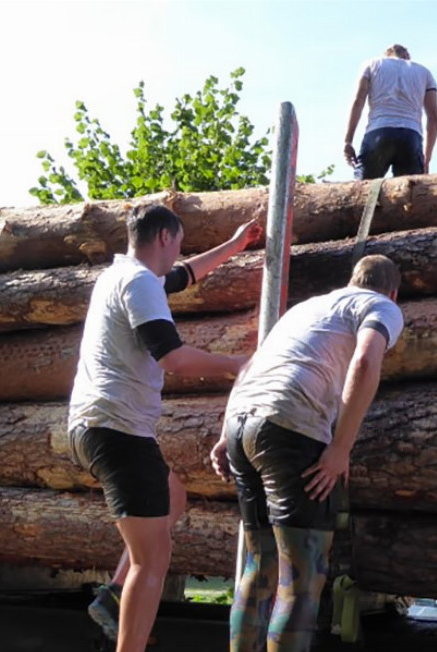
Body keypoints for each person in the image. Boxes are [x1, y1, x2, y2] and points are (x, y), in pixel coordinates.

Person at [67, 204, 261, 652]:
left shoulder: (123, 276)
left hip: (97, 426)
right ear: (164, 238)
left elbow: (186, 275)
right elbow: (171, 356)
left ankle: (116, 596)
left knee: (172, 495)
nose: (178, 254)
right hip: (117, 431)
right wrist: (238, 365)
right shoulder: (138, 283)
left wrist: (235, 244)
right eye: (177, 243)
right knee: (152, 560)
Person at [210, 254, 404, 652]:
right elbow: (366, 362)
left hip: (242, 423)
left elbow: (250, 368)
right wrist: (340, 448)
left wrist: (225, 436)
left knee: (259, 565)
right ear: (393, 290)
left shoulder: (307, 308)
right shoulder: (381, 306)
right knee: (301, 580)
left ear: (351, 279)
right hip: (291, 427)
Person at [343, 44, 437, 179]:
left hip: (378, 132)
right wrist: (426, 158)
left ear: (387, 55)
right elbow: (434, 118)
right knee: (409, 195)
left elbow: (358, 102)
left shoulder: (372, 64)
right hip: (410, 135)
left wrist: (348, 141)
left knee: (363, 191)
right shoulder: (425, 73)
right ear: (406, 56)